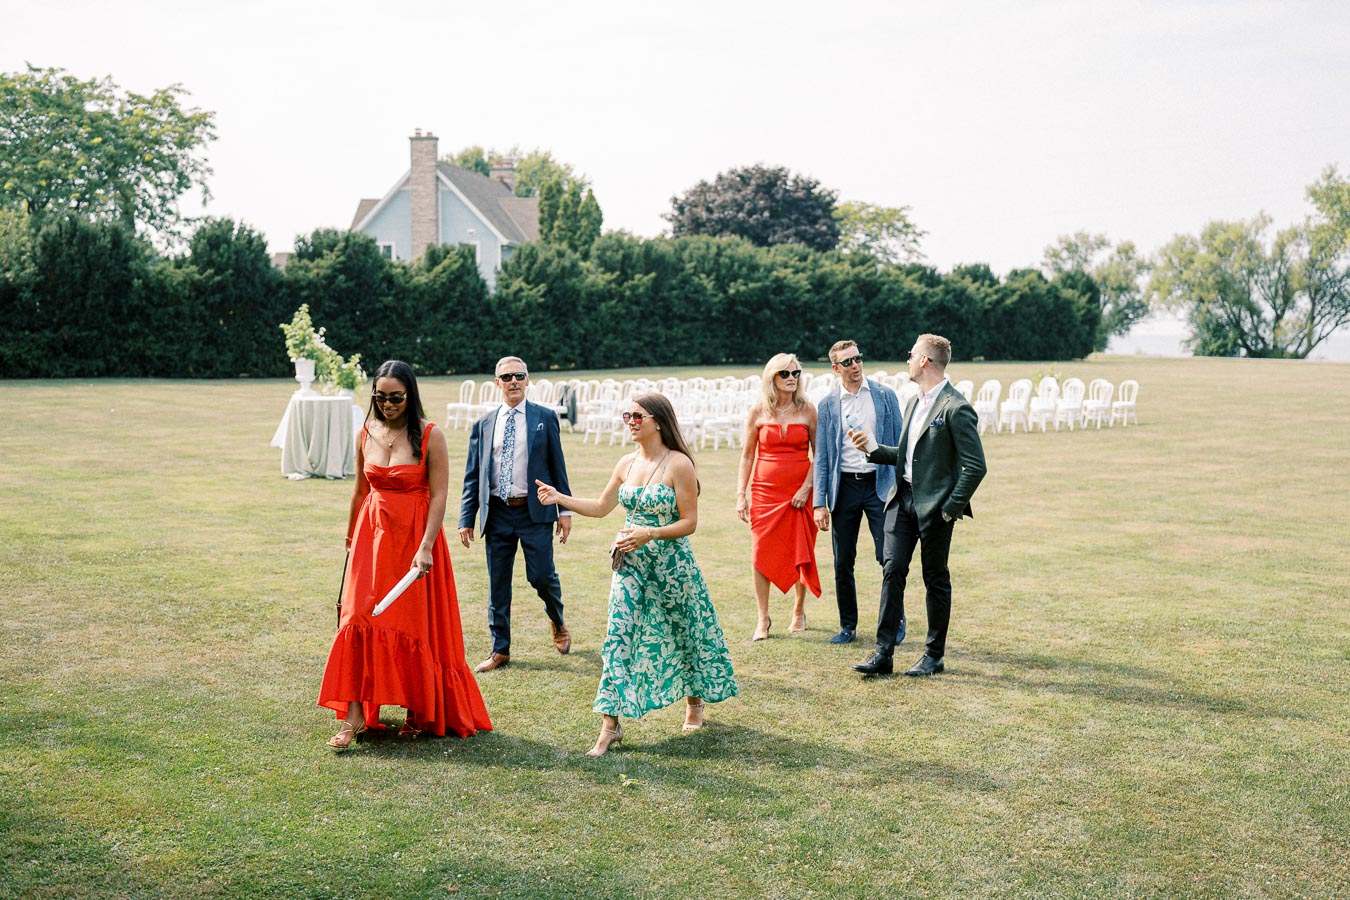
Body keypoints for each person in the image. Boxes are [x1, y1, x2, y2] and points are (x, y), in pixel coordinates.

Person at [535, 394, 738, 756]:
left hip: (672, 565)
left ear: (657, 421)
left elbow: (690, 522)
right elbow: (601, 507)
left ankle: (695, 702)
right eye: (626, 415)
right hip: (630, 565)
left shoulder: (679, 465)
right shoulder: (625, 464)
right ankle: (610, 726)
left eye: (636, 415)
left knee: (684, 630)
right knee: (619, 635)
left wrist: (650, 533)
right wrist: (559, 498)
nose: (629, 420)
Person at [318, 360, 492, 747]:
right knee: (356, 616)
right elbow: (360, 491)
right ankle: (354, 716)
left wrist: (426, 546)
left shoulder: (431, 436)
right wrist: (351, 540)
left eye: (395, 397)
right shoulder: (365, 431)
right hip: (371, 537)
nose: (387, 404)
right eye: (379, 397)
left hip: (416, 539)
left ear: (410, 395)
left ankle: (418, 710)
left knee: (414, 624)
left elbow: (440, 496)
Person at [851, 334, 986, 677]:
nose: (908, 360)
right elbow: (909, 455)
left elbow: (976, 466)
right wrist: (873, 448)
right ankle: (883, 654)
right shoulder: (913, 402)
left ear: (925, 360)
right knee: (892, 570)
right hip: (903, 499)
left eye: (911, 355)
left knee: (935, 578)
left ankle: (933, 655)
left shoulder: (956, 407)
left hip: (936, 507)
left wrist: (950, 508)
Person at [459, 356, 573, 673]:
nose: (513, 381)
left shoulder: (545, 418)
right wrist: (466, 517)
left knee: (541, 576)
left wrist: (564, 509)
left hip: (534, 513)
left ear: (527, 380)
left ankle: (557, 619)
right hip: (496, 513)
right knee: (498, 584)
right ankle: (500, 649)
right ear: (497, 383)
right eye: (506, 376)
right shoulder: (482, 425)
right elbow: (473, 476)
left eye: (518, 376)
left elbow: (557, 467)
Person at [813, 340, 903, 645]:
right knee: (842, 561)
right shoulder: (827, 405)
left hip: (880, 484)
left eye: (858, 359)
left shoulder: (884, 395)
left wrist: (902, 487)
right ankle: (847, 626)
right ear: (835, 368)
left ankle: (895, 621)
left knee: (889, 557)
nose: (855, 366)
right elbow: (823, 458)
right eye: (847, 362)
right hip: (845, 487)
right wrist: (819, 503)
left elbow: (902, 446)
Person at [736, 353, 822, 640]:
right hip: (764, 492)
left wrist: (806, 488)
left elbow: (819, 454)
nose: (791, 379)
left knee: (800, 551)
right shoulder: (758, 411)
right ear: (771, 377)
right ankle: (763, 618)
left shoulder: (808, 409)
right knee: (761, 552)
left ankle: (798, 610)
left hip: (800, 492)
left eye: (795, 373)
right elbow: (748, 455)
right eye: (785, 374)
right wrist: (741, 494)